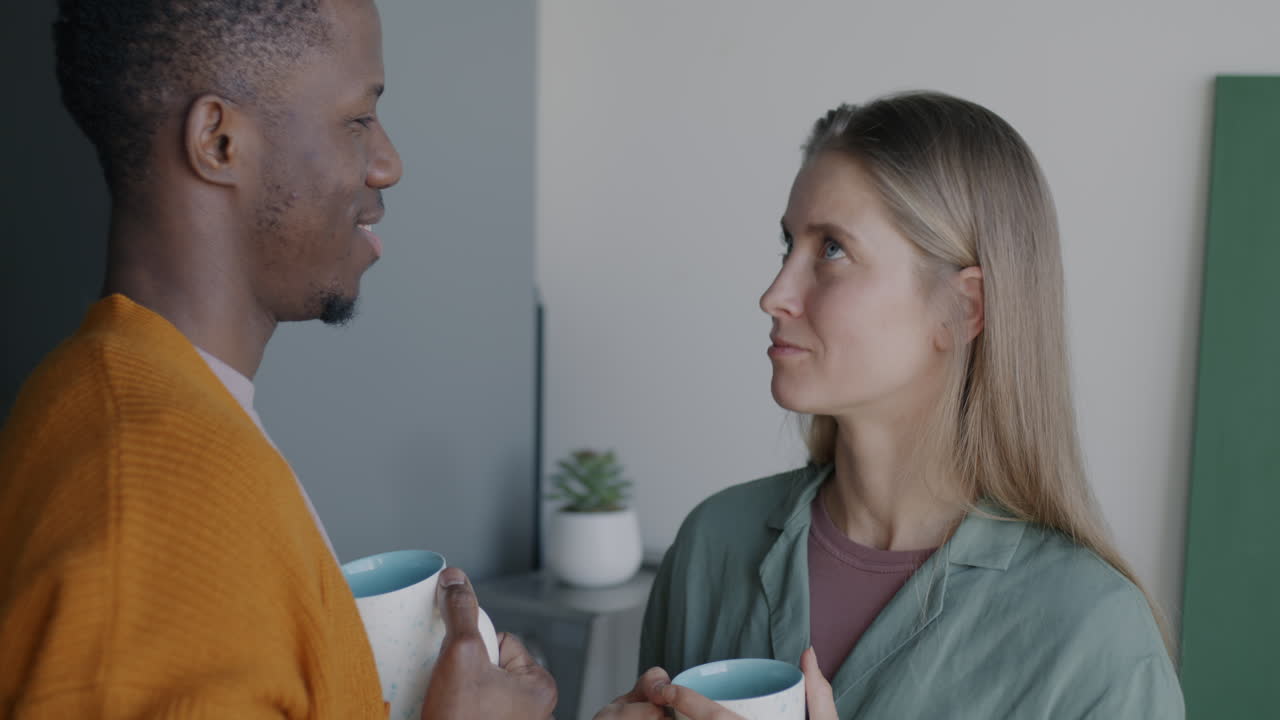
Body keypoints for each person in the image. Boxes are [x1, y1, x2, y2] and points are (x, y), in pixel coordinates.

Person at [639, 91, 1186, 718]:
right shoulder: (713, 546)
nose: (775, 294)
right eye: (788, 245)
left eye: (833, 250)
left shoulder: (1094, 636)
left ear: (963, 309)